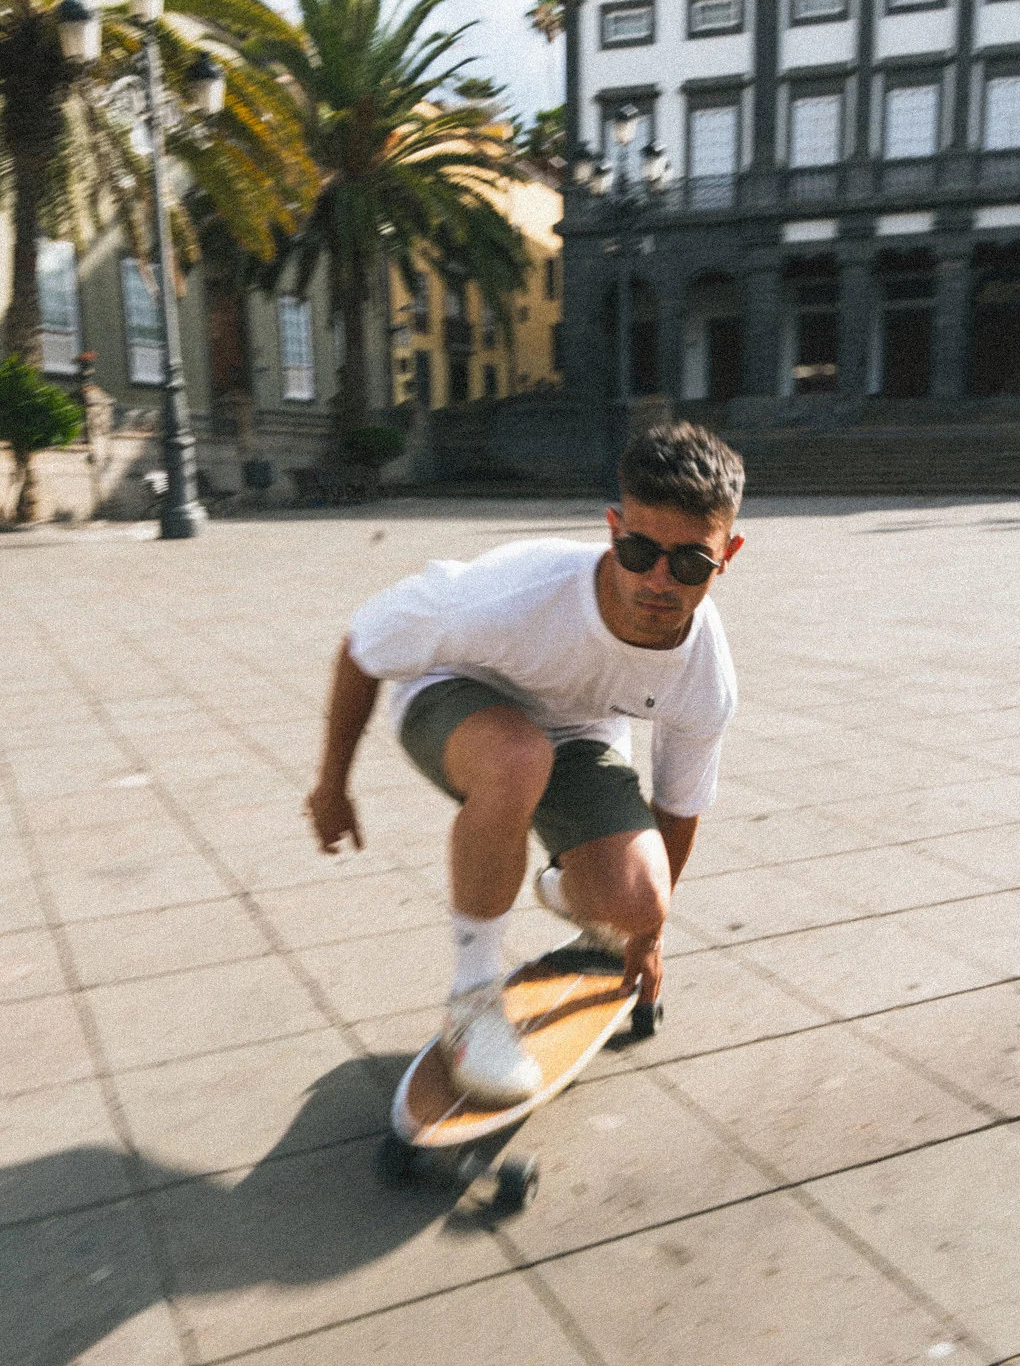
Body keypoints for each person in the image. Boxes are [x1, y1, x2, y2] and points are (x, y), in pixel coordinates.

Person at [305, 422, 745, 1105]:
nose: (659, 580)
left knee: (638, 902)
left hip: (576, 734)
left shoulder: (704, 671)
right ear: (611, 530)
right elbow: (364, 646)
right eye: (639, 551)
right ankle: (471, 1003)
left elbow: (680, 803)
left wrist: (647, 936)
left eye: (689, 563)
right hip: (452, 700)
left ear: (728, 556)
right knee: (517, 759)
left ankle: (566, 886)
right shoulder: (512, 593)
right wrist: (331, 787)